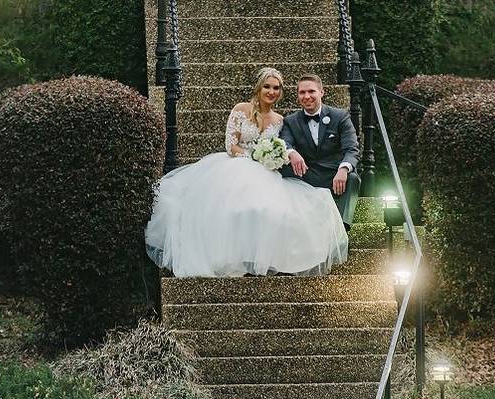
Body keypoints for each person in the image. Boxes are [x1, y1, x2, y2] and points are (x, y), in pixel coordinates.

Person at [145, 67, 348, 278]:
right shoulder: (241, 109)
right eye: (267, 87)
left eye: (276, 88)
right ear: (259, 88)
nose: (271, 91)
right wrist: (254, 157)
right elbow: (230, 145)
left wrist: (274, 157)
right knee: (231, 207)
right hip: (236, 165)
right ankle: (229, 257)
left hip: (267, 171)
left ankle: (262, 259)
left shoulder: (280, 120)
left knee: (274, 209)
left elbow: (283, 146)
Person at [280, 74, 360, 231]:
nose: (307, 96)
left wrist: (343, 169)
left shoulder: (340, 116)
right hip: (307, 174)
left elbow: (351, 148)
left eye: (311, 91)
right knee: (280, 172)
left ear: (322, 92)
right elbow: (285, 142)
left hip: (333, 174)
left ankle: (342, 229)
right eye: (302, 92)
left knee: (352, 178)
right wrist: (291, 152)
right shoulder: (291, 121)